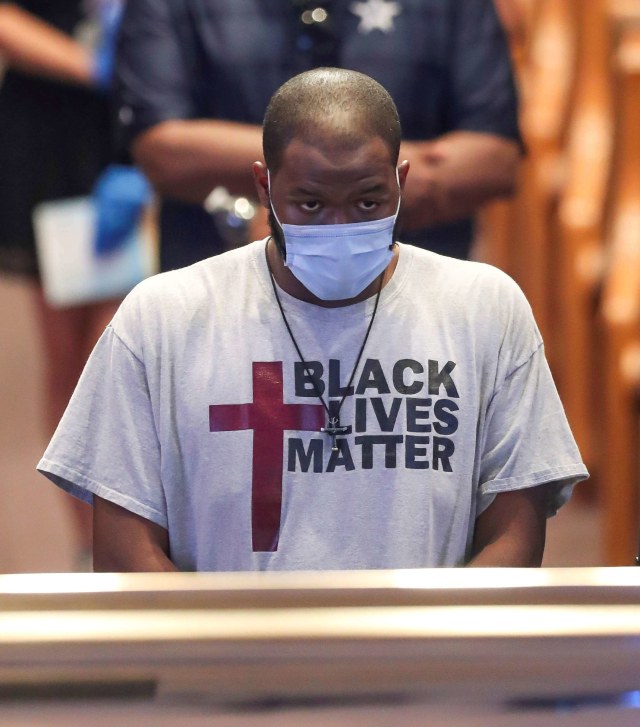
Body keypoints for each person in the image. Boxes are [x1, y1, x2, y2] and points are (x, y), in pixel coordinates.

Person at [38, 68, 587, 571]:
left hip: (426, 668)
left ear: (401, 179)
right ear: (263, 187)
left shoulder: (484, 308)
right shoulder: (162, 317)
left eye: (369, 203)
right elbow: (124, 551)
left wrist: (425, 662)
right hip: (228, 672)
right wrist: (225, 663)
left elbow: (513, 535)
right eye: (310, 204)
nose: (340, 225)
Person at [114, 0, 523, 272]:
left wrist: (308, 190)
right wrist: (369, 177)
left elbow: (495, 158)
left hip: (414, 314)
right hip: (223, 302)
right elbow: (162, 148)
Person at [0, 0, 126, 565]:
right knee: (80, 366)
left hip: (151, 131)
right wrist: (95, 65)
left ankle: (141, 542)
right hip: (59, 138)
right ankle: (93, 550)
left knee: (128, 360)